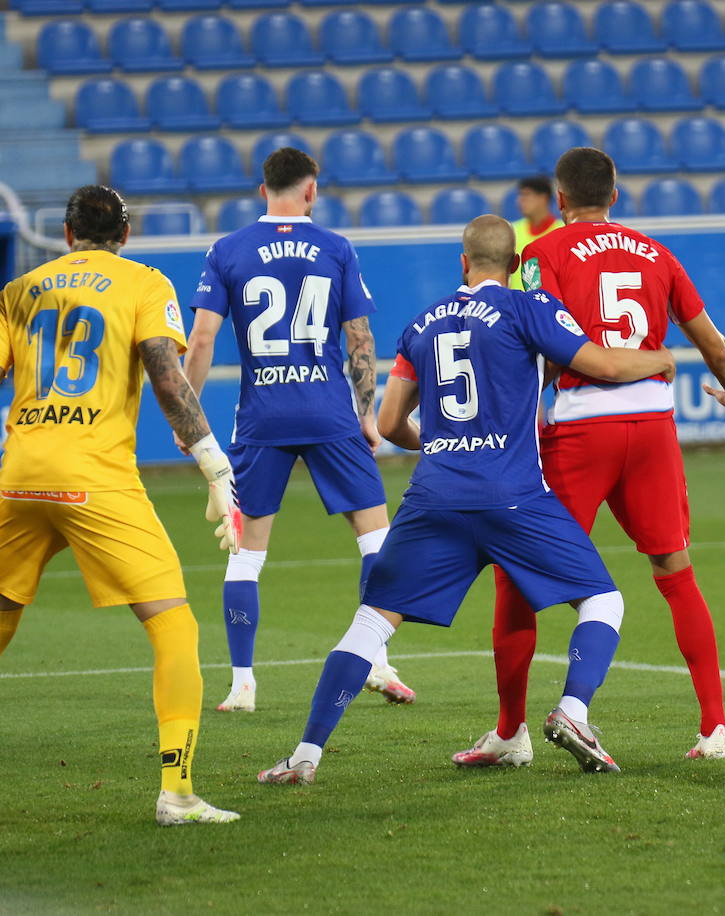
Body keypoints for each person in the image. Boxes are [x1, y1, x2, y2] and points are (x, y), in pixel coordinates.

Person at [255, 215, 677, 784]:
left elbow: (386, 421)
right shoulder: (528, 307)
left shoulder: (422, 324)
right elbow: (600, 365)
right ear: (516, 267)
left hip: (434, 497)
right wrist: (660, 359)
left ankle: (305, 756)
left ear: (463, 263)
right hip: (513, 496)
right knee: (603, 602)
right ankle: (573, 711)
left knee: (370, 623)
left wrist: (446, 446)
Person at [0, 186, 240, 825]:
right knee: (173, 624)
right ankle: (177, 793)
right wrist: (213, 463)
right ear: (125, 234)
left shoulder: (20, 290)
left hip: (21, 477)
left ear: (67, 234)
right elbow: (167, 376)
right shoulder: (144, 283)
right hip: (95, 478)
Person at [454, 148, 725, 767]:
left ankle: (511, 732)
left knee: (518, 575)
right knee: (675, 571)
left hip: (581, 429)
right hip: (654, 425)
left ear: (558, 201)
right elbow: (712, 342)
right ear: (616, 194)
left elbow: (547, 340)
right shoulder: (657, 253)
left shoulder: (541, 255)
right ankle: (714, 727)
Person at [182, 147, 414, 712]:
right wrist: (366, 411)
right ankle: (375, 662)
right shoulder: (335, 247)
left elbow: (204, 340)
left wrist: (185, 415)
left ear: (264, 190)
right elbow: (358, 336)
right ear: (311, 192)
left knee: (246, 553)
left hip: (262, 417)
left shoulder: (228, 249)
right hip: (329, 409)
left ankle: (242, 683)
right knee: (376, 540)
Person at [507, 175, 563, 290]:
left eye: (526, 195)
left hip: (551, 304)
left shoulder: (562, 231)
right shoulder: (512, 230)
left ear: (543, 198)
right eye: (520, 195)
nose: (520, 200)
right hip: (517, 304)